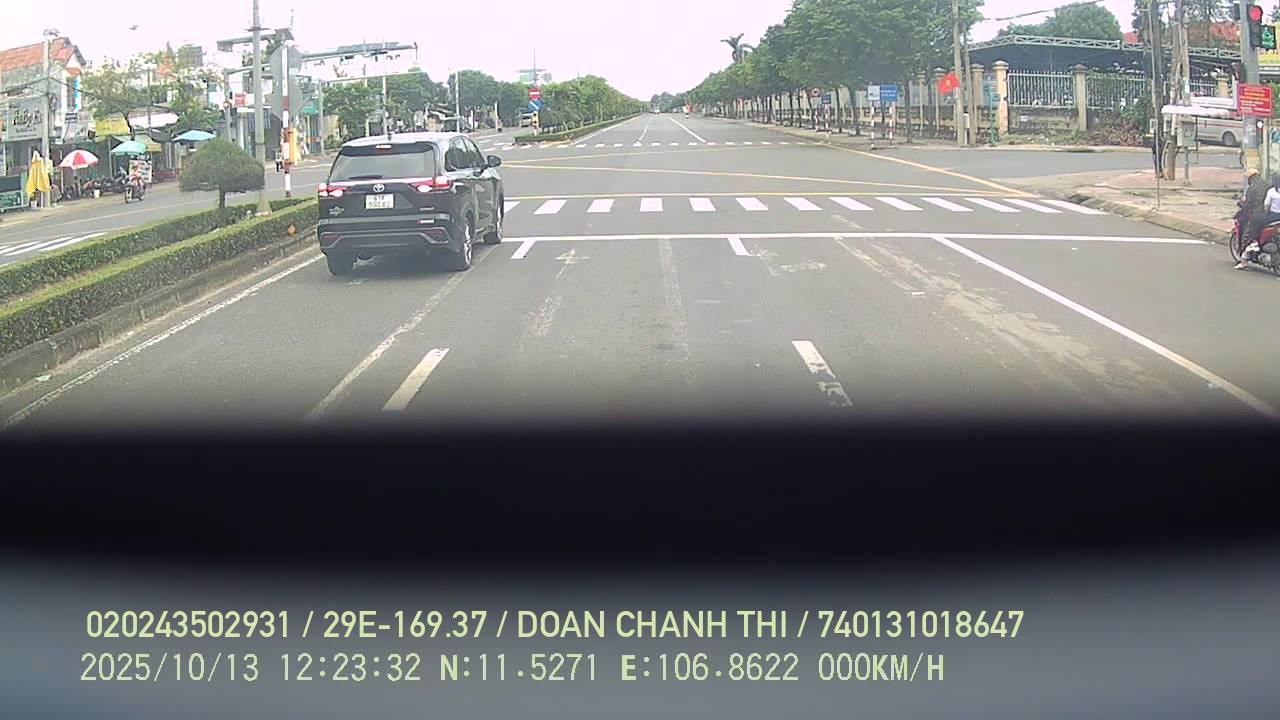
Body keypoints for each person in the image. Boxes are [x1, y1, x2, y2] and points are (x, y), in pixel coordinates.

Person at [1239, 173, 1280, 269]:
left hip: (1274, 216)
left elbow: (1266, 205)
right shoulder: (1264, 186)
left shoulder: (1271, 191)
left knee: (1256, 220)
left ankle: (1255, 241)